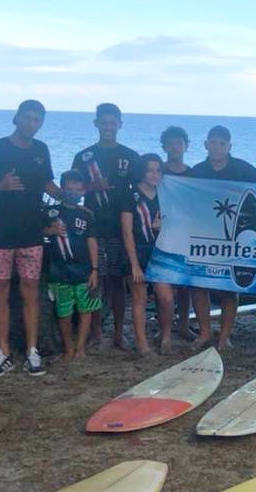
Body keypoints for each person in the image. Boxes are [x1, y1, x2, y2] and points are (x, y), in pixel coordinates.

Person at [0, 99, 59, 378]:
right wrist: (1, 185)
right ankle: (4, 352)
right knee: (0, 295)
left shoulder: (41, 150)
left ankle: (32, 351)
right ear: (16, 119)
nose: (32, 124)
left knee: (31, 293)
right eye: (28, 118)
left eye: (37, 120)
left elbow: (47, 184)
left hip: (31, 233)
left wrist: (69, 197)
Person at [190, 125, 256, 351]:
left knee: (229, 285)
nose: (217, 147)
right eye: (213, 142)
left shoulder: (242, 168)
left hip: (234, 237)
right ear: (206, 145)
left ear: (229, 146)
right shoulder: (197, 171)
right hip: (203, 236)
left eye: (222, 143)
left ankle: (224, 336)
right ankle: (204, 333)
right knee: (199, 285)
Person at [71, 103, 139, 350]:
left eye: (113, 123)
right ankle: (96, 332)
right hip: (92, 227)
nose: (108, 127)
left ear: (120, 125)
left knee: (118, 283)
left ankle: (120, 333)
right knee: (95, 281)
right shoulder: (84, 157)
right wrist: (91, 188)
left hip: (120, 229)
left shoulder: (130, 156)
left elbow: (142, 190)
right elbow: (73, 192)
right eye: (104, 123)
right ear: (96, 124)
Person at [43, 170, 101, 361]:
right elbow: (36, 231)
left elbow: (92, 242)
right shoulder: (51, 212)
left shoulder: (87, 215)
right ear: (62, 188)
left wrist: (95, 269)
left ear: (84, 191)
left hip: (84, 271)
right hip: (59, 272)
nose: (73, 192)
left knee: (86, 309)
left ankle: (80, 347)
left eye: (78, 189)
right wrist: (51, 230)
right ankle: (68, 347)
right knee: (64, 311)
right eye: (69, 188)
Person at [121, 154, 174, 356]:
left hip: (160, 252)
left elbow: (175, 225)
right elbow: (126, 231)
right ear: (142, 171)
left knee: (166, 298)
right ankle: (142, 344)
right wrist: (134, 264)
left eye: (158, 170)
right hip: (137, 252)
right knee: (139, 299)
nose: (154, 174)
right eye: (150, 170)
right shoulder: (130, 195)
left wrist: (160, 227)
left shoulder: (165, 194)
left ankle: (165, 335)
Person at [160, 125, 193, 340]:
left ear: (186, 146)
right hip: (161, 231)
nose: (175, 147)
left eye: (179, 143)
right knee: (164, 283)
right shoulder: (158, 171)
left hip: (185, 232)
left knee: (185, 284)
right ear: (164, 146)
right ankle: (165, 327)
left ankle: (184, 325)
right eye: (170, 143)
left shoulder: (193, 173)